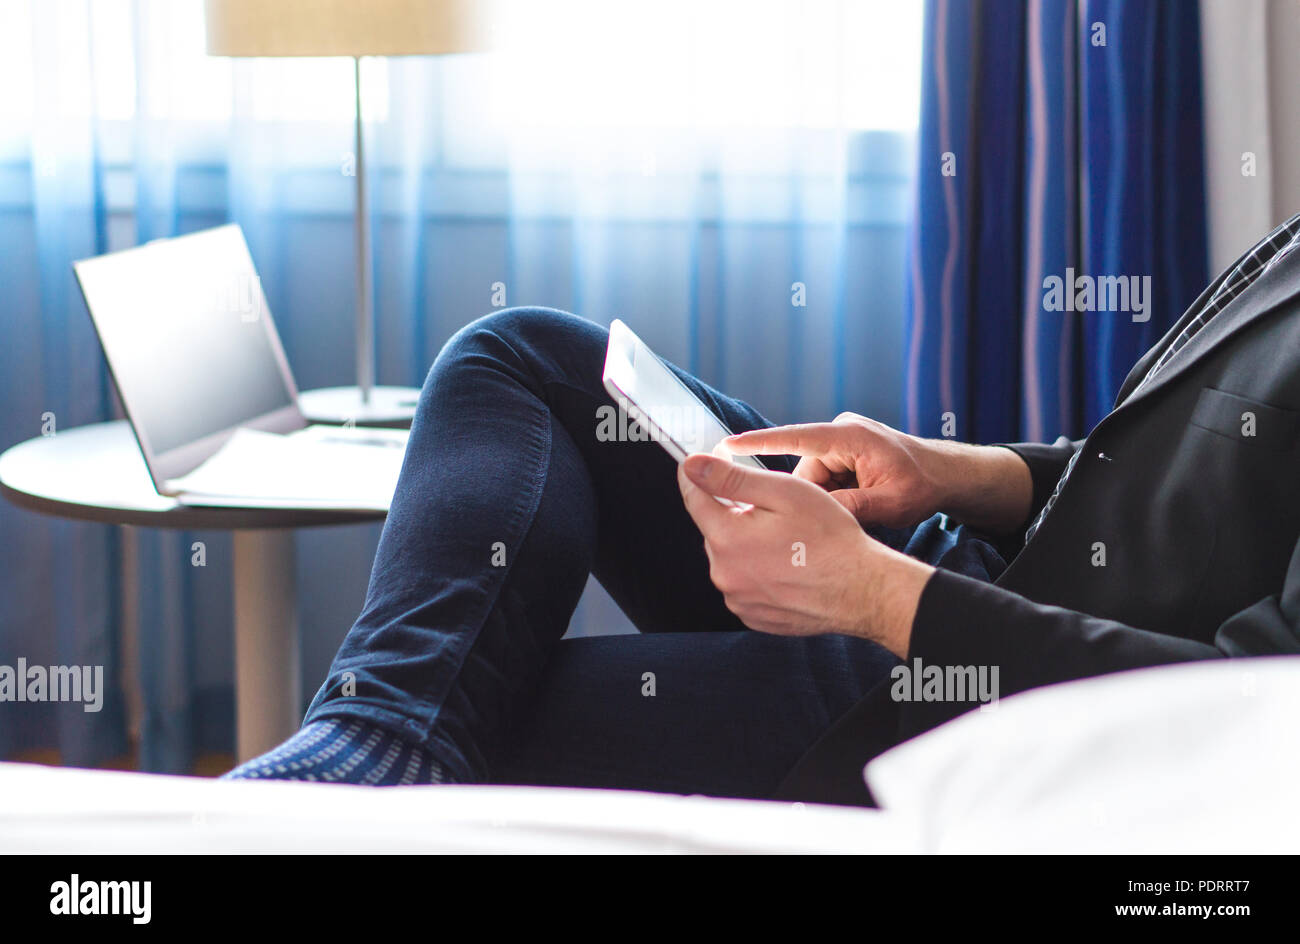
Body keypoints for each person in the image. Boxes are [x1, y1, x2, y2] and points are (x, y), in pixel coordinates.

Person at [225, 213, 1300, 805]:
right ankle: (371, 741)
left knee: (483, 705)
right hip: (959, 567)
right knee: (522, 357)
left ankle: (374, 764)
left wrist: (880, 597)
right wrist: (941, 469)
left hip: (971, 687)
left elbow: (1252, 712)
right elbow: (1166, 477)